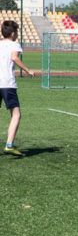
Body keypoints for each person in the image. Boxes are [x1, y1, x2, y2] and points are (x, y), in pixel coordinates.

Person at [0, 21, 35, 156]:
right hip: (7, 84)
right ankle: (9, 145)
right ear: (13, 33)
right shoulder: (14, 45)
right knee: (16, 114)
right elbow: (14, 57)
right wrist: (27, 70)